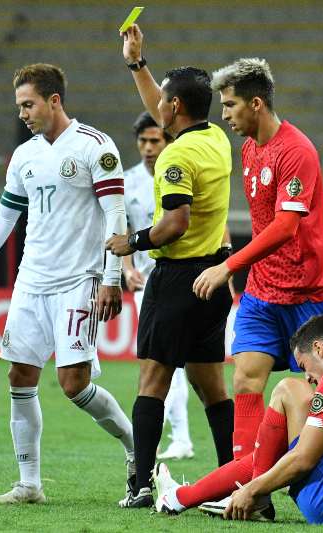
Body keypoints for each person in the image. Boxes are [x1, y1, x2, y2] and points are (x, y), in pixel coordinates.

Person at [0, 63, 134, 504]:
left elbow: (116, 216)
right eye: (18, 106)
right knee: (20, 374)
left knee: (73, 386)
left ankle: (136, 448)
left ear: (54, 101)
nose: (22, 114)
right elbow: (4, 218)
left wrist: (111, 277)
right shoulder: (25, 156)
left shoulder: (95, 146)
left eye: (28, 104)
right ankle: (29, 484)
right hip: (31, 282)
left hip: (79, 281)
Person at [106, 25, 235, 508]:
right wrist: (137, 63)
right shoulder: (216, 137)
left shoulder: (174, 158)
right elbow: (166, 99)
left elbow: (175, 223)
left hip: (178, 277)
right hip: (214, 277)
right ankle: (233, 478)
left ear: (174, 110)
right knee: (212, 387)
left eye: (165, 100)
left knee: (152, 381)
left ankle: (140, 483)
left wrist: (131, 242)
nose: (158, 104)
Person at [190, 57, 323, 462]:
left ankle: (319, 476)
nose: (223, 115)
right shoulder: (249, 150)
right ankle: (247, 482)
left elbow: (285, 226)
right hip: (263, 291)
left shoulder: (297, 151)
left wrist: (229, 264)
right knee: (244, 379)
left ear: (255, 104)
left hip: (310, 291)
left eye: (229, 105)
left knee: (318, 391)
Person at [153, 315, 323, 525]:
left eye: (304, 366)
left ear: (319, 349)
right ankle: (179, 497)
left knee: (288, 390)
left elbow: (302, 461)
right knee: (272, 452)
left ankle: (251, 499)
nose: (308, 378)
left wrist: (252, 489)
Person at [123, 111, 195, 461]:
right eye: (143, 141)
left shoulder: (179, 175)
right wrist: (125, 269)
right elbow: (120, 229)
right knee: (165, 362)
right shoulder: (128, 181)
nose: (149, 148)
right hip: (145, 284)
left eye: (156, 140)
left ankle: (177, 436)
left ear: (168, 141)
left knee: (169, 362)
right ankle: (179, 437)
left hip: (179, 276)